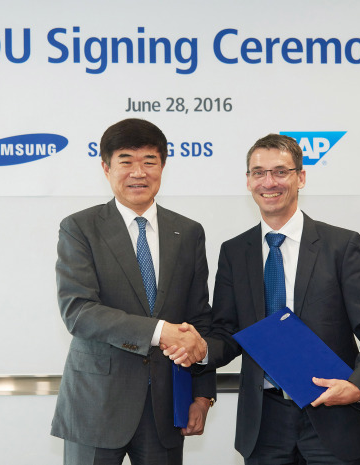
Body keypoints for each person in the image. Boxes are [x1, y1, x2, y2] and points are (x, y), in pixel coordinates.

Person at [165, 134, 360, 464]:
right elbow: (226, 333)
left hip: (335, 417)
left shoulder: (340, 246)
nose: (269, 182)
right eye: (258, 172)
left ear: (300, 177)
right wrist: (200, 350)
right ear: (248, 181)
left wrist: (358, 386)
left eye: (280, 171)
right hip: (264, 424)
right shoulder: (234, 252)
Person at [51, 118, 216, 465]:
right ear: (106, 167)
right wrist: (159, 332)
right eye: (126, 161)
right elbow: (79, 311)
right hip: (96, 404)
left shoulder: (188, 233)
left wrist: (202, 395)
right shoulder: (79, 228)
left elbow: (199, 319)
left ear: (163, 166)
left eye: (149, 161)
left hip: (166, 406)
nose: (138, 172)